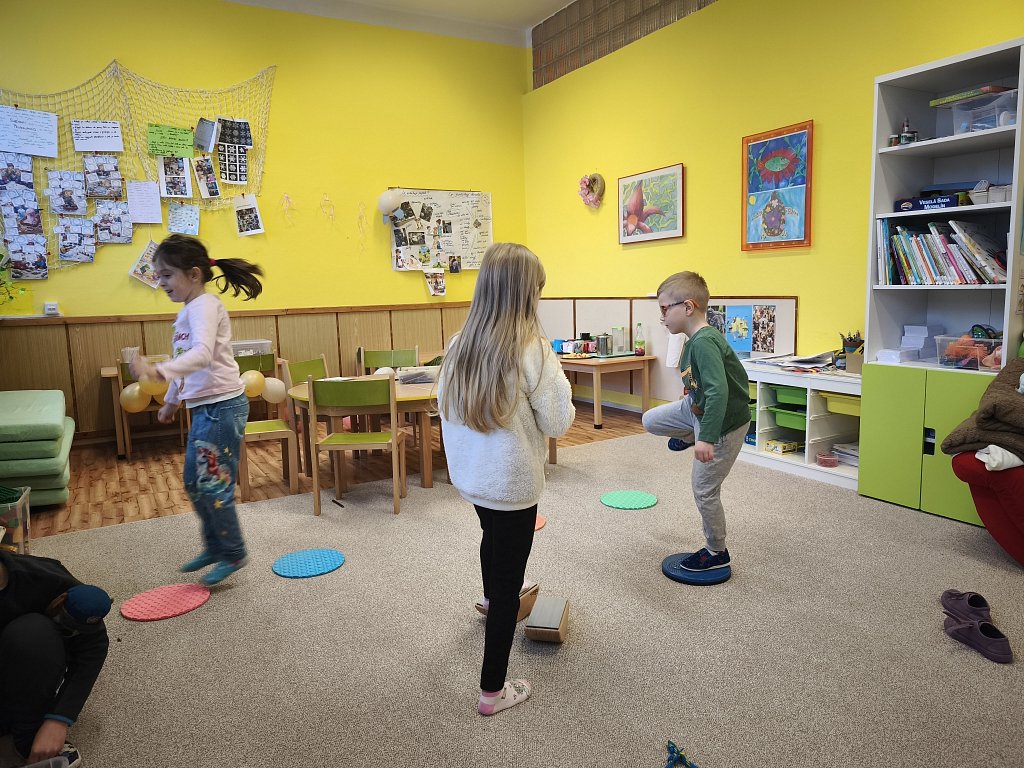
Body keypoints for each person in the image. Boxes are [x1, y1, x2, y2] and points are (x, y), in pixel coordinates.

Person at [438, 242, 574, 716]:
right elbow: (558, 421)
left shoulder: (459, 344)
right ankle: (492, 693)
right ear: (525, 294)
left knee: (490, 538)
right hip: (512, 485)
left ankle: (488, 597)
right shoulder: (535, 350)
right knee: (508, 579)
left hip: (473, 479)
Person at [129, 234, 264, 586]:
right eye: (158, 276)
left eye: (167, 275)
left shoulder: (205, 306)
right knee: (193, 481)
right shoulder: (187, 311)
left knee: (213, 484)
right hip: (205, 409)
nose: (161, 283)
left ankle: (233, 552)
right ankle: (215, 546)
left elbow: (202, 355)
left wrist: (158, 372)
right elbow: (184, 361)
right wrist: (172, 400)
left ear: (193, 274)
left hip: (222, 407)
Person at [641, 271, 750, 571]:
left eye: (665, 309)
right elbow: (701, 382)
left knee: (703, 490)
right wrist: (690, 393)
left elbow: (719, 393)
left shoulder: (704, 342)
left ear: (688, 307)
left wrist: (707, 438)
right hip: (697, 408)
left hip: (724, 424)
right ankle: (689, 435)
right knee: (650, 420)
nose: (662, 317)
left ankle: (716, 552)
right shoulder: (692, 341)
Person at [0, 550, 112, 768]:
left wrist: (59, 718)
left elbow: (93, 647)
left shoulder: (45, 578)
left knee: (32, 634)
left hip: (18, 672)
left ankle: (28, 735)